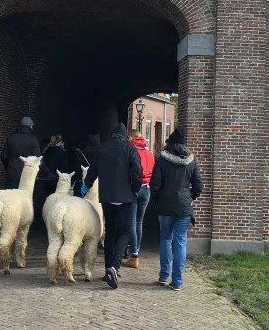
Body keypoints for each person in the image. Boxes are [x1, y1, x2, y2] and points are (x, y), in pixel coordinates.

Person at [82, 123, 142, 289]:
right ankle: (114, 267)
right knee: (124, 233)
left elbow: (92, 171)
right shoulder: (130, 149)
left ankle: (108, 268)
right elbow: (137, 171)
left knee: (110, 233)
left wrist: (85, 187)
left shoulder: (102, 149)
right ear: (124, 135)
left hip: (107, 198)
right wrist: (135, 189)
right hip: (125, 198)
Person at [149, 128, 203, 291]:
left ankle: (164, 275)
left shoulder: (162, 159)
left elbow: (155, 184)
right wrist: (190, 197)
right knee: (180, 242)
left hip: (165, 205)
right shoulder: (192, 160)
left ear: (170, 143)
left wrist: (157, 199)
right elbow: (198, 185)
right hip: (184, 206)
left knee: (165, 238)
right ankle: (177, 281)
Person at [122, 129, 155, 268]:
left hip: (134, 188)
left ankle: (133, 254)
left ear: (131, 138)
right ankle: (137, 250)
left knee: (132, 223)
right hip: (147, 188)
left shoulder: (130, 151)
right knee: (139, 222)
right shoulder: (149, 153)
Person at [0, 116, 41, 189]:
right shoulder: (33, 139)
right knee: (23, 197)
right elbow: (37, 158)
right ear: (31, 126)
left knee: (11, 195)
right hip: (27, 174)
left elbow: (4, 156)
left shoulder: (11, 138)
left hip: (12, 173)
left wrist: (9, 166)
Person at [71, 132, 101, 197]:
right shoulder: (102, 154)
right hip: (97, 187)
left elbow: (76, 170)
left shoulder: (81, 154)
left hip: (81, 185)